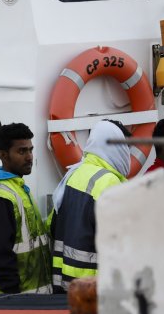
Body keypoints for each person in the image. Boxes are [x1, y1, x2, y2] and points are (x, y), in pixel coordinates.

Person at [50, 119, 130, 292]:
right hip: (95, 288)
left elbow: (53, 225)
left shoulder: (73, 174)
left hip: (64, 282)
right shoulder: (109, 182)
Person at [0, 123, 51, 294]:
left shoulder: (19, 188)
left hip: (31, 299)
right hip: (13, 302)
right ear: (3, 155)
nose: (29, 157)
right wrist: (12, 299)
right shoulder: (1, 197)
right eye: (22, 151)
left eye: (31, 150)